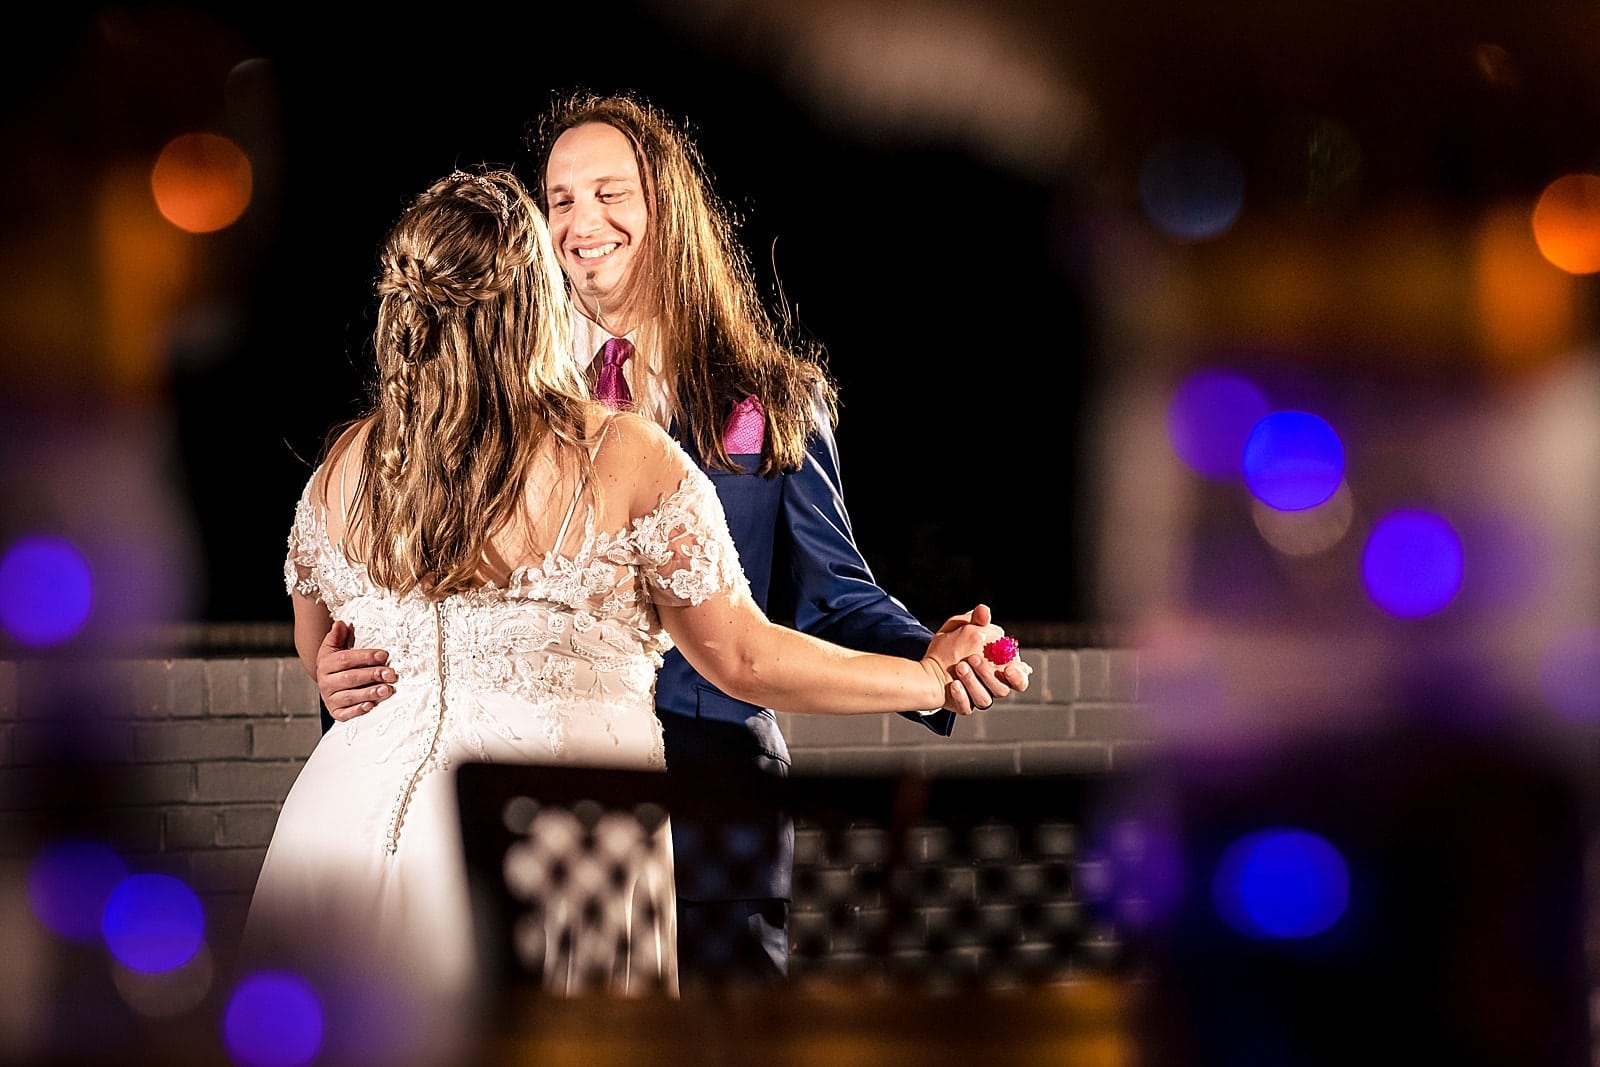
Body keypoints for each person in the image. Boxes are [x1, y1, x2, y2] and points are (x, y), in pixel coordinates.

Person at [246, 168, 1003, 1028]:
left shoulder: (347, 465)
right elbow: (744, 657)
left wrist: (332, 673)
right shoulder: (624, 455)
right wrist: (929, 678)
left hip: (337, 831)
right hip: (551, 842)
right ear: (536, 298)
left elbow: (319, 636)